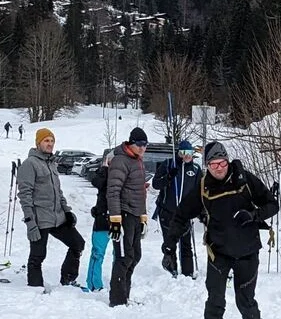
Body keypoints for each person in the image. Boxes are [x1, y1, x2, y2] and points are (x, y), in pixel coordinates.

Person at [162, 141, 278, 319]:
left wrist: (253, 215)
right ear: (207, 165)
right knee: (215, 298)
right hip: (218, 251)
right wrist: (169, 248)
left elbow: (272, 204)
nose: (219, 168)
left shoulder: (245, 180)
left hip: (247, 251)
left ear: (227, 161)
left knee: (245, 298)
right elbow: (180, 216)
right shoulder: (203, 187)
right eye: (213, 164)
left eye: (222, 163)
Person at [17, 128, 85, 289]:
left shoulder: (52, 163)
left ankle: (68, 279)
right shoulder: (30, 164)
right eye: (46, 141)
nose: (50, 144)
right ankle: (35, 287)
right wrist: (30, 223)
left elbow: (58, 191)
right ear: (38, 143)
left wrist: (67, 211)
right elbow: (25, 196)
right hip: (40, 218)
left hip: (58, 217)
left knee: (78, 244)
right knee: (38, 256)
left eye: (52, 141)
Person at [107, 127, 149, 306]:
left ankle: (125, 294)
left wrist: (143, 216)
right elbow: (113, 191)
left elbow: (140, 191)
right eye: (139, 145)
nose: (142, 148)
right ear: (131, 144)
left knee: (135, 255)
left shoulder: (137, 161)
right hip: (123, 214)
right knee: (124, 257)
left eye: (145, 145)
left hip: (135, 214)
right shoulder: (120, 161)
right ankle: (117, 299)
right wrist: (115, 219)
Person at [152, 139, 202, 278]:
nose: (186, 156)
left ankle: (188, 273)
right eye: (183, 152)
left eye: (190, 152)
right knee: (170, 243)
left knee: (186, 244)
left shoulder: (196, 169)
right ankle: (172, 271)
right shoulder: (169, 164)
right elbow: (156, 184)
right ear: (178, 153)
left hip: (185, 214)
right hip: (167, 212)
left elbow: (201, 190)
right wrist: (168, 176)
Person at [85, 152, 113, 292]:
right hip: (102, 218)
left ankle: (117, 281)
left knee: (119, 254)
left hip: (120, 219)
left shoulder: (126, 174)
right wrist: (104, 168)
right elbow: (97, 182)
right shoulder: (104, 174)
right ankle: (94, 284)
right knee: (98, 253)